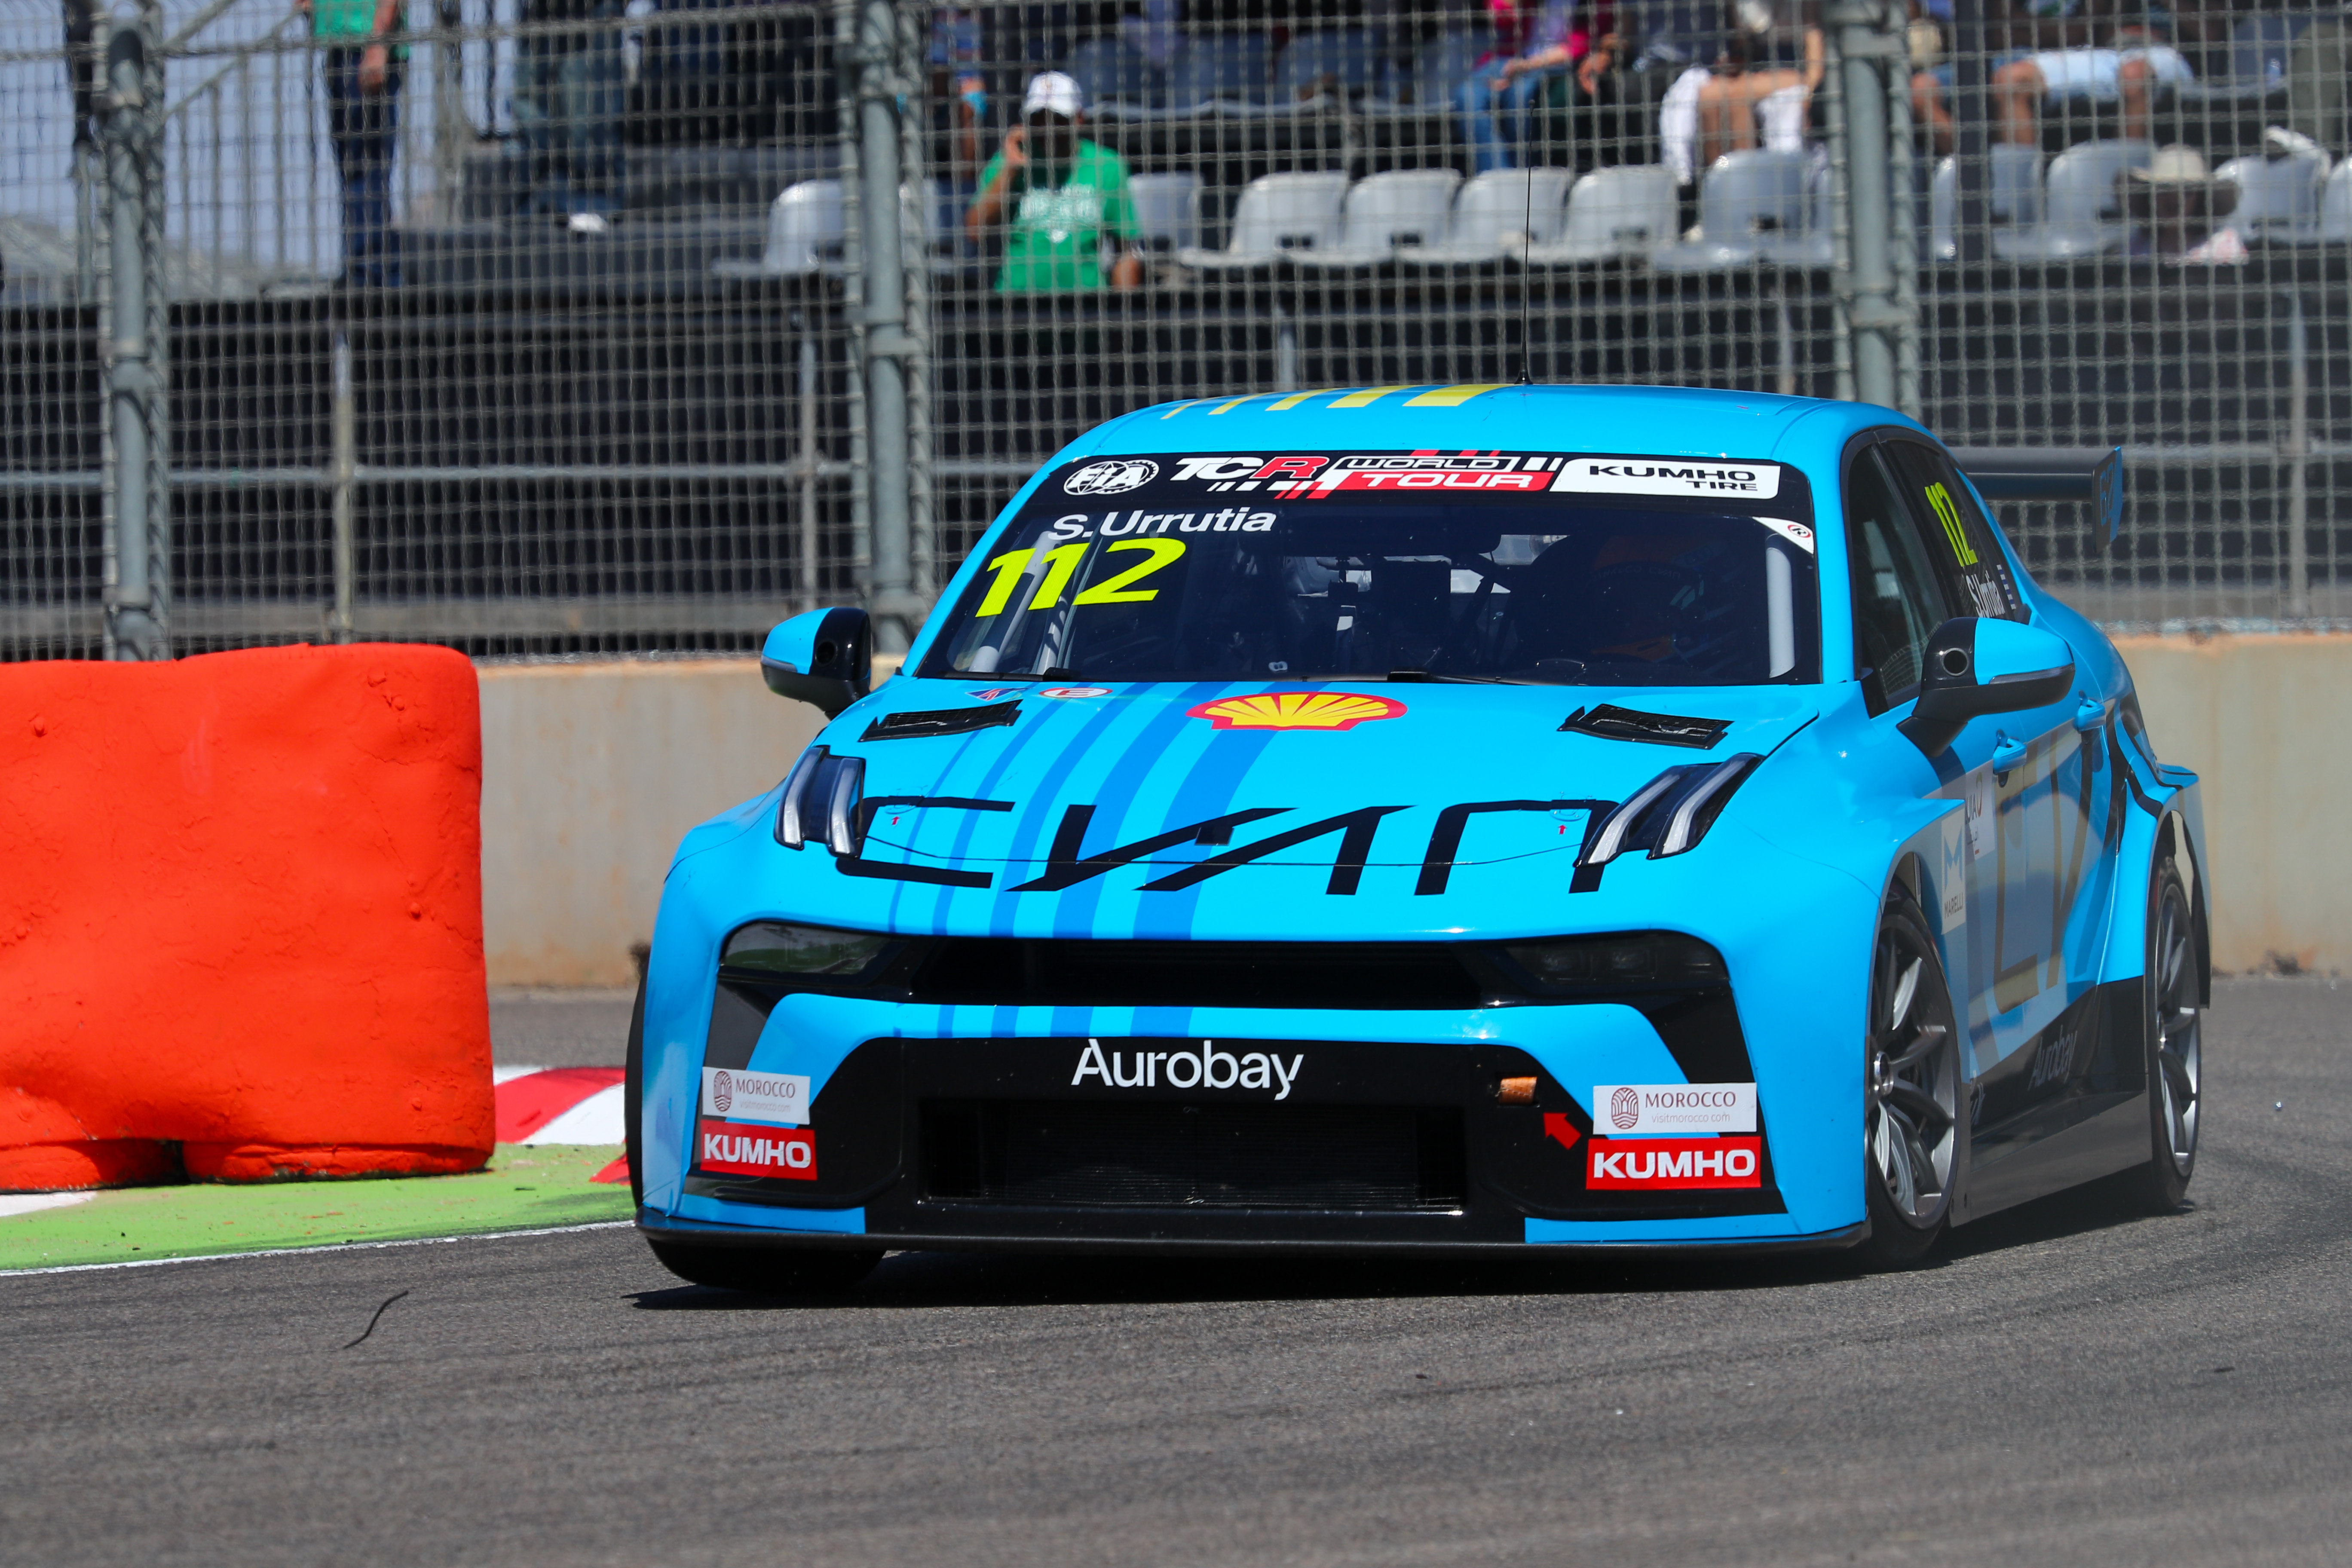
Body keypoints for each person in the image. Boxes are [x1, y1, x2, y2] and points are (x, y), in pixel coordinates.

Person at [963, 71, 1144, 293]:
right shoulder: (1010, 158)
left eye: (1058, 119)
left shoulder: (1107, 166)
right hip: (1018, 303)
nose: (1047, 128)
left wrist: (1124, 309)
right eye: (1038, 119)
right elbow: (975, 231)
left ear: (1078, 119)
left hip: (1087, 303)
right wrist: (1010, 170)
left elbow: (1125, 248)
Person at [298, 0, 405, 286]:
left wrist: (377, 45)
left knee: (367, 169)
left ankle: (372, 273)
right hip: (343, 46)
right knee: (354, 169)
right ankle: (364, 269)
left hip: (366, 47)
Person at [1452, 0, 1607, 174]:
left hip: (1554, 65)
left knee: (1520, 95)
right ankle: (1496, 176)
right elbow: (1500, 15)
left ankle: (1523, 175)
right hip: (1512, 55)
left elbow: (1580, 44)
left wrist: (1528, 66)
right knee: (1467, 96)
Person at [514, 0, 625, 221]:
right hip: (539, 13)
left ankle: (593, 198)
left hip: (590, 14)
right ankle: (543, 191)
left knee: (586, 109)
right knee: (530, 101)